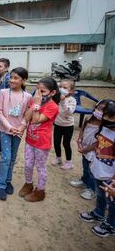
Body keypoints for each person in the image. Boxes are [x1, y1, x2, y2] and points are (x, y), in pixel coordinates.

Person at [18, 78, 60, 202]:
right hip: (30, 140)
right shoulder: (36, 100)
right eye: (37, 90)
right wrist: (35, 103)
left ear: (52, 93)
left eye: (42, 91)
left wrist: (36, 104)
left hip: (42, 143)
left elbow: (36, 120)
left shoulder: (53, 107)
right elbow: (27, 117)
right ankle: (28, 184)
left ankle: (40, 191)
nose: (39, 94)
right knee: (28, 164)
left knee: (40, 167)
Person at [0, 67, 31, 201]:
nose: (12, 80)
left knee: (13, 156)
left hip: (18, 132)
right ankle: (0, 185)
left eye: (16, 78)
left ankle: (8, 180)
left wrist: (21, 127)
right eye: (11, 77)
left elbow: (27, 114)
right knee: (6, 157)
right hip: (5, 130)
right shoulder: (3, 92)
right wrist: (9, 127)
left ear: (24, 80)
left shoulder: (28, 97)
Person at [80, 100, 115, 237]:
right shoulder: (104, 128)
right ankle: (99, 213)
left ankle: (111, 225)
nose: (106, 119)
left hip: (110, 177)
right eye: (106, 116)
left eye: (111, 117)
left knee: (111, 202)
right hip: (99, 170)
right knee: (100, 195)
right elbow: (98, 144)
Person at [70, 100, 110, 200]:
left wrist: (86, 149)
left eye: (103, 110)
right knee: (85, 165)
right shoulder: (88, 119)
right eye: (99, 108)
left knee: (91, 171)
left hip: (93, 151)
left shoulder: (105, 127)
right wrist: (79, 140)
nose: (100, 111)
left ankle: (91, 189)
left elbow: (98, 143)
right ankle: (84, 180)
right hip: (84, 148)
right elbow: (83, 129)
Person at [52, 79, 77, 170]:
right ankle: (58, 158)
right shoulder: (57, 98)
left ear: (71, 90)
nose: (62, 89)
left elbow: (69, 112)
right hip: (57, 124)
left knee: (66, 144)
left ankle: (69, 162)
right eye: (60, 87)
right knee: (56, 142)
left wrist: (63, 102)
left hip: (68, 126)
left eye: (65, 87)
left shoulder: (72, 100)